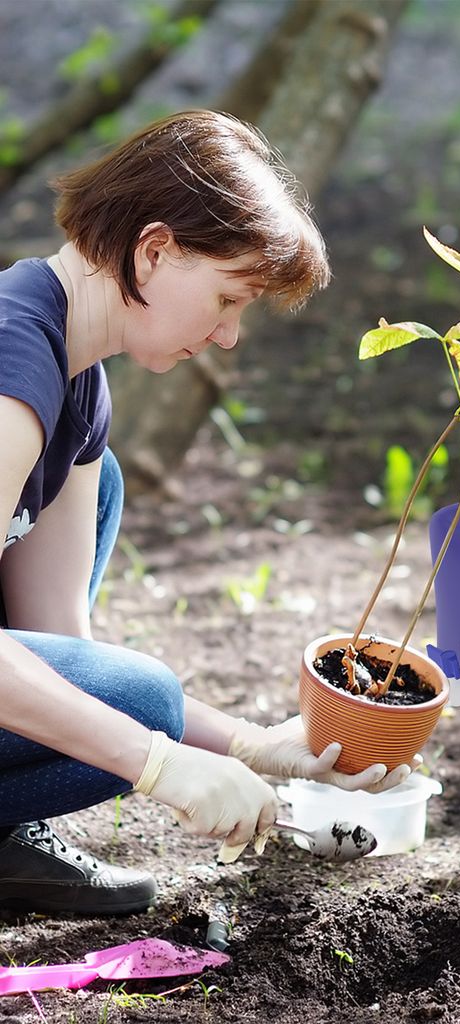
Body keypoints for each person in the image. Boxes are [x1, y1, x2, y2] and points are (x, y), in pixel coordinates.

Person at [0, 109, 416, 916]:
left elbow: (60, 656)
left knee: (102, 483)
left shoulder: (74, 377)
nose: (230, 336)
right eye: (229, 298)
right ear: (153, 251)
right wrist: (156, 761)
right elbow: (110, 704)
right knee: (139, 703)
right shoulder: (12, 370)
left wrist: (256, 747)